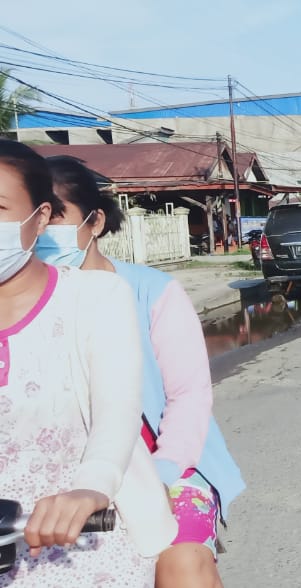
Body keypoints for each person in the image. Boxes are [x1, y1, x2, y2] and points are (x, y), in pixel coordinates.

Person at [36, 156, 247, 587]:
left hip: (164, 468)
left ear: (94, 222)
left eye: (55, 218)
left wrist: (161, 474)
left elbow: (188, 396)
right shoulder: (20, 303)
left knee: (183, 565)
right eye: (35, 218)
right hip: (54, 475)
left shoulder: (151, 291)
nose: (42, 233)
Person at [0, 140, 176, 585]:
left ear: (39, 218)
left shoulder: (97, 297)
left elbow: (116, 415)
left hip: (83, 547)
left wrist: (90, 489)